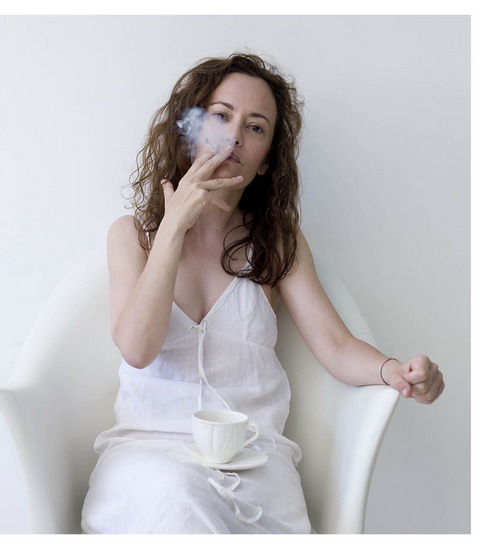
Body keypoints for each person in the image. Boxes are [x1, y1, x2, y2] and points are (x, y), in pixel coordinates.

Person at [81, 52, 445, 534]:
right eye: (220, 116)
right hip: (149, 458)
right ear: (189, 129)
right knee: (177, 496)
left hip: (253, 462)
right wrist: (173, 228)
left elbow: (336, 346)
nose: (234, 137)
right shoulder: (133, 236)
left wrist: (395, 371)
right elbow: (137, 348)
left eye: (255, 128)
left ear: (266, 159)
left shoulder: (277, 242)